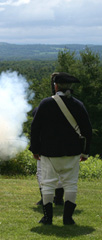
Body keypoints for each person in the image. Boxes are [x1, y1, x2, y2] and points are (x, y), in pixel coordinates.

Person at [30, 72, 92, 225]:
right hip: (72, 152)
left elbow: (35, 128)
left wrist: (35, 149)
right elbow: (87, 130)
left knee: (48, 184)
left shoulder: (45, 104)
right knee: (71, 184)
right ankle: (68, 218)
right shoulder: (78, 105)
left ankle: (47, 218)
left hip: (49, 152)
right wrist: (85, 151)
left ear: (56, 86)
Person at [32, 107, 64, 206]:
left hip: (45, 149)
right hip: (59, 149)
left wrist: (35, 150)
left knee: (42, 174)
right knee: (58, 174)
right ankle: (58, 199)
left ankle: (48, 199)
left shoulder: (40, 114)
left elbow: (35, 134)